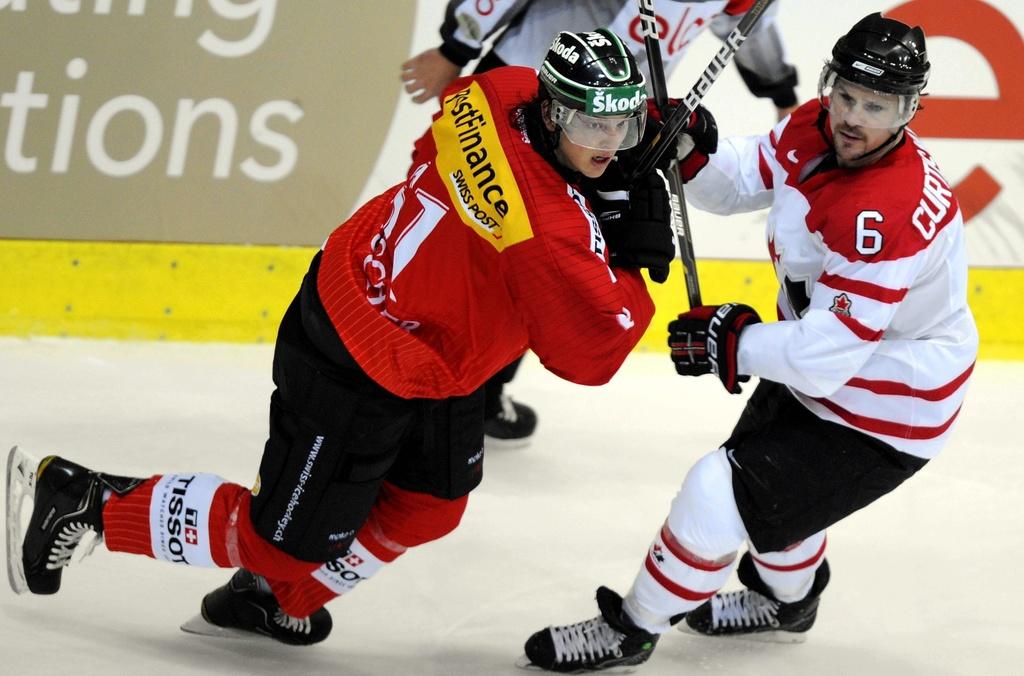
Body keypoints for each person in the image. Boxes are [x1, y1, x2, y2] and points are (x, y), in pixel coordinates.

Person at [6, 28, 699, 647]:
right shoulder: (547, 236)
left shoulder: (500, 91)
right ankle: (88, 502)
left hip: (421, 335)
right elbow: (591, 354)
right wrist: (635, 257)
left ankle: (272, 600)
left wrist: (646, 146)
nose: (610, 145)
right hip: (359, 353)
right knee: (277, 541)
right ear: (551, 111)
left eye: (624, 126)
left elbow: (448, 150)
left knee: (431, 505)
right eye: (591, 127)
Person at [520, 13, 978, 672]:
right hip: (827, 371)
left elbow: (829, 354)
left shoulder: (885, 212)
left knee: (718, 490)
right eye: (845, 93)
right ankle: (789, 603)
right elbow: (750, 177)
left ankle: (633, 629)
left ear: (908, 111)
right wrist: (696, 151)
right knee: (775, 505)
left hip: (886, 406)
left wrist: (730, 340)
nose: (853, 115)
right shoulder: (812, 128)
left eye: (876, 106)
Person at [401, 0, 801, 449]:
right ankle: (432, 380)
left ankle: (478, 392)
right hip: (533, 96)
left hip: (611, 125)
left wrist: (780, 91)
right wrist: (457, 44)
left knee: (557, 263)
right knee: (490, 237)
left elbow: (747, 25)